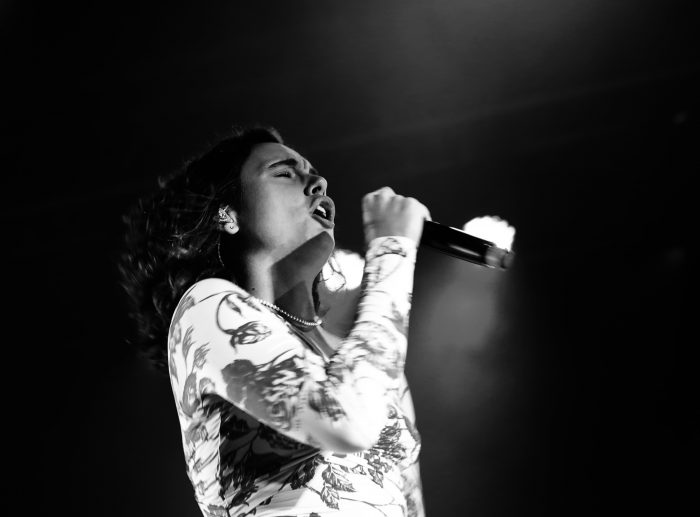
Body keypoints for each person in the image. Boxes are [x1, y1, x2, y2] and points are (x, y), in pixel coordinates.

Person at [120, 126, 429, 517]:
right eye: (285, 173)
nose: (318, 184)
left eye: (315, 175)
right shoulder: (207, 308)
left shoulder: (362, 355)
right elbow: (347, 421)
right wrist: (392, 250)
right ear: (227, 215)